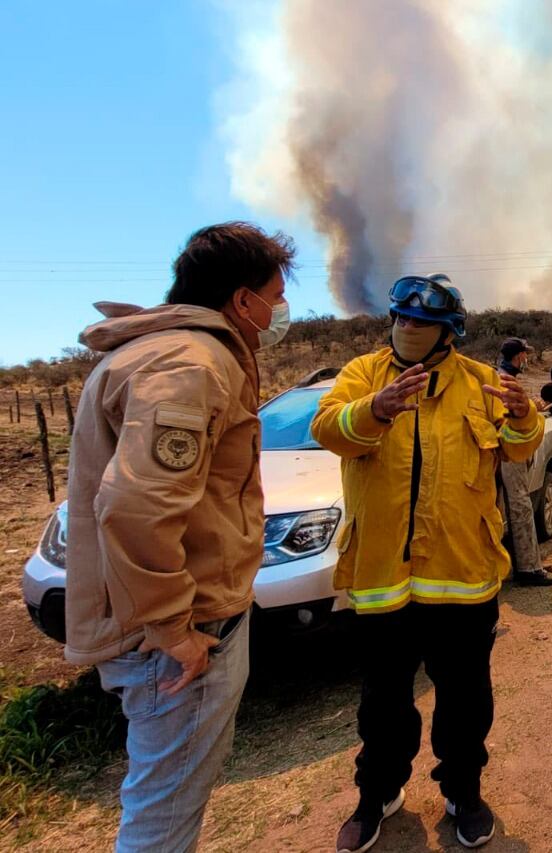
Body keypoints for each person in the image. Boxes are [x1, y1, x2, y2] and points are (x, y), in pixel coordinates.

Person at [65, 222, 295, 852]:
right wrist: (172, 629)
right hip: (177, 636)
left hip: (157, 620)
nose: (279, 312)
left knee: (162, 804)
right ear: (242, 300)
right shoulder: (191, 364)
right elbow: (137, 506)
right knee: (162, 820)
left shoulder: (157, 353)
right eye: (274, 296)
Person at [312, 276, 545, 852]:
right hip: (382, 580)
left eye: (421, 324)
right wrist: (375, 409)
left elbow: (520, 447)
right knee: (383, 702)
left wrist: (522, 417)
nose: (407, 330)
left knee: (466, 700)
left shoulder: (485, 381)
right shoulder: (362, 374)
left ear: (450, 333)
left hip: (463, 578)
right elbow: (327, 428)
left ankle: (463, 793)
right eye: (401, 319)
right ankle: (377, 797)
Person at [495, 338, 552, 586]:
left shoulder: (500, 377)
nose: (527, 360)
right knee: (520, 503)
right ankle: (528, 568)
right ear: (519, 356)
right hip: (509, 453)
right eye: (525, 355)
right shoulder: (504, 381)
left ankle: (527, 562)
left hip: (506, 451)